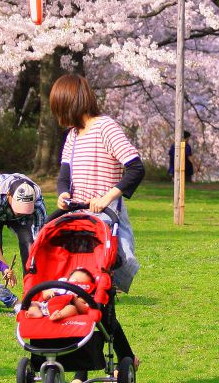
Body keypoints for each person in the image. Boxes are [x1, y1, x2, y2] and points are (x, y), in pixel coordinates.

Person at [51, 73, 144, 365]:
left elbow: (135, 167)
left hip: (105, 221)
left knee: (89, 292)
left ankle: (90, 366)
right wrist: (63, 194)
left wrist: (106, 197)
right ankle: (122, 357)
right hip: (78, 219)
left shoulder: (105, 127)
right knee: (80, 293)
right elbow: (65, 174)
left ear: (72, 103)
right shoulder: (73, 137)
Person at [0, 172, 46, 275]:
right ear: (8, 195)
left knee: (29, 244)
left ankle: (31, 287)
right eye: (19, 207)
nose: (21, 212)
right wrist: (4, 267)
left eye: (25, 208)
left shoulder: (38, 204)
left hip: (12, 210)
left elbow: (39, 239)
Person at [27, 268, 95, 322]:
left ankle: (59, 315)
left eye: (82, 284)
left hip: (65, 309)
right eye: (75, 280)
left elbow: (85, 310)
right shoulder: (59, 286)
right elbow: (44, 295)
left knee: (72, 309)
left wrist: (75, 300)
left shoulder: (84, 296)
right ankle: (35, 312)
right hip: (45, 307)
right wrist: (49, 293)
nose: (77, 283)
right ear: (68, 279)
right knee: (34, 303)